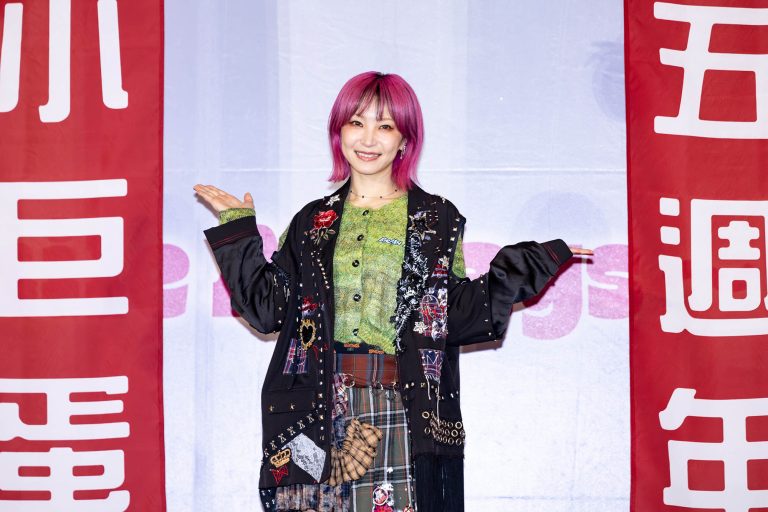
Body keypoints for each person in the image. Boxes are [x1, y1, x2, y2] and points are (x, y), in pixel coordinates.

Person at [194, 71, 591, 512]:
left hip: (397, 407)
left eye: (384, 126)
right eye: (356, 122)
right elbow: (268, 310)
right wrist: (237, 229)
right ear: (339, 131)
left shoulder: (434, 218)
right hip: (312, 409)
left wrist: (528, 264)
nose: (368, 138)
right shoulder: (311, 221)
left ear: (404, 139)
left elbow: (453, 313)